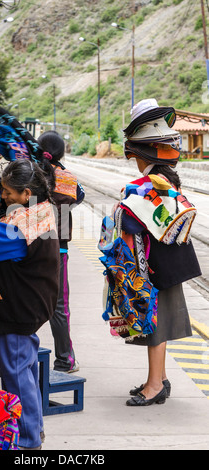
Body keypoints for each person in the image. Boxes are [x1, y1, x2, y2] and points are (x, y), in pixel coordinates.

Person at [111, 99, 201, 406]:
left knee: (155, 325)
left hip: (153, 268)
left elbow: (130, 224)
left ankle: (154, 385)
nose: (134, 161)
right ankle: (159, 380)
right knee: (157, 322)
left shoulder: (144, 185)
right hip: (168, 264)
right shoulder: (167, 181)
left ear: (142, 153)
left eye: (135, 154)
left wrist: (121, 208)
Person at [0, 159, 60, 449]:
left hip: (17, 309)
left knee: (17, 375)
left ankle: (28, 441)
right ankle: (34, 428)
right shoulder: (43, 209)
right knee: (26, 370)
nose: (4, 197)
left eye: (9, 192)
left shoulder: (20, 226)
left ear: (25, 193)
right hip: (30, 304)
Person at [37, 130, 85, 373]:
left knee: (30, 298)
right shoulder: (67, 178)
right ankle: (65, 359)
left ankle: (20, 351)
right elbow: (80, 196)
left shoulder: (31, 174)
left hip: (31, 245)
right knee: (58, 306)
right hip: (58, 248)